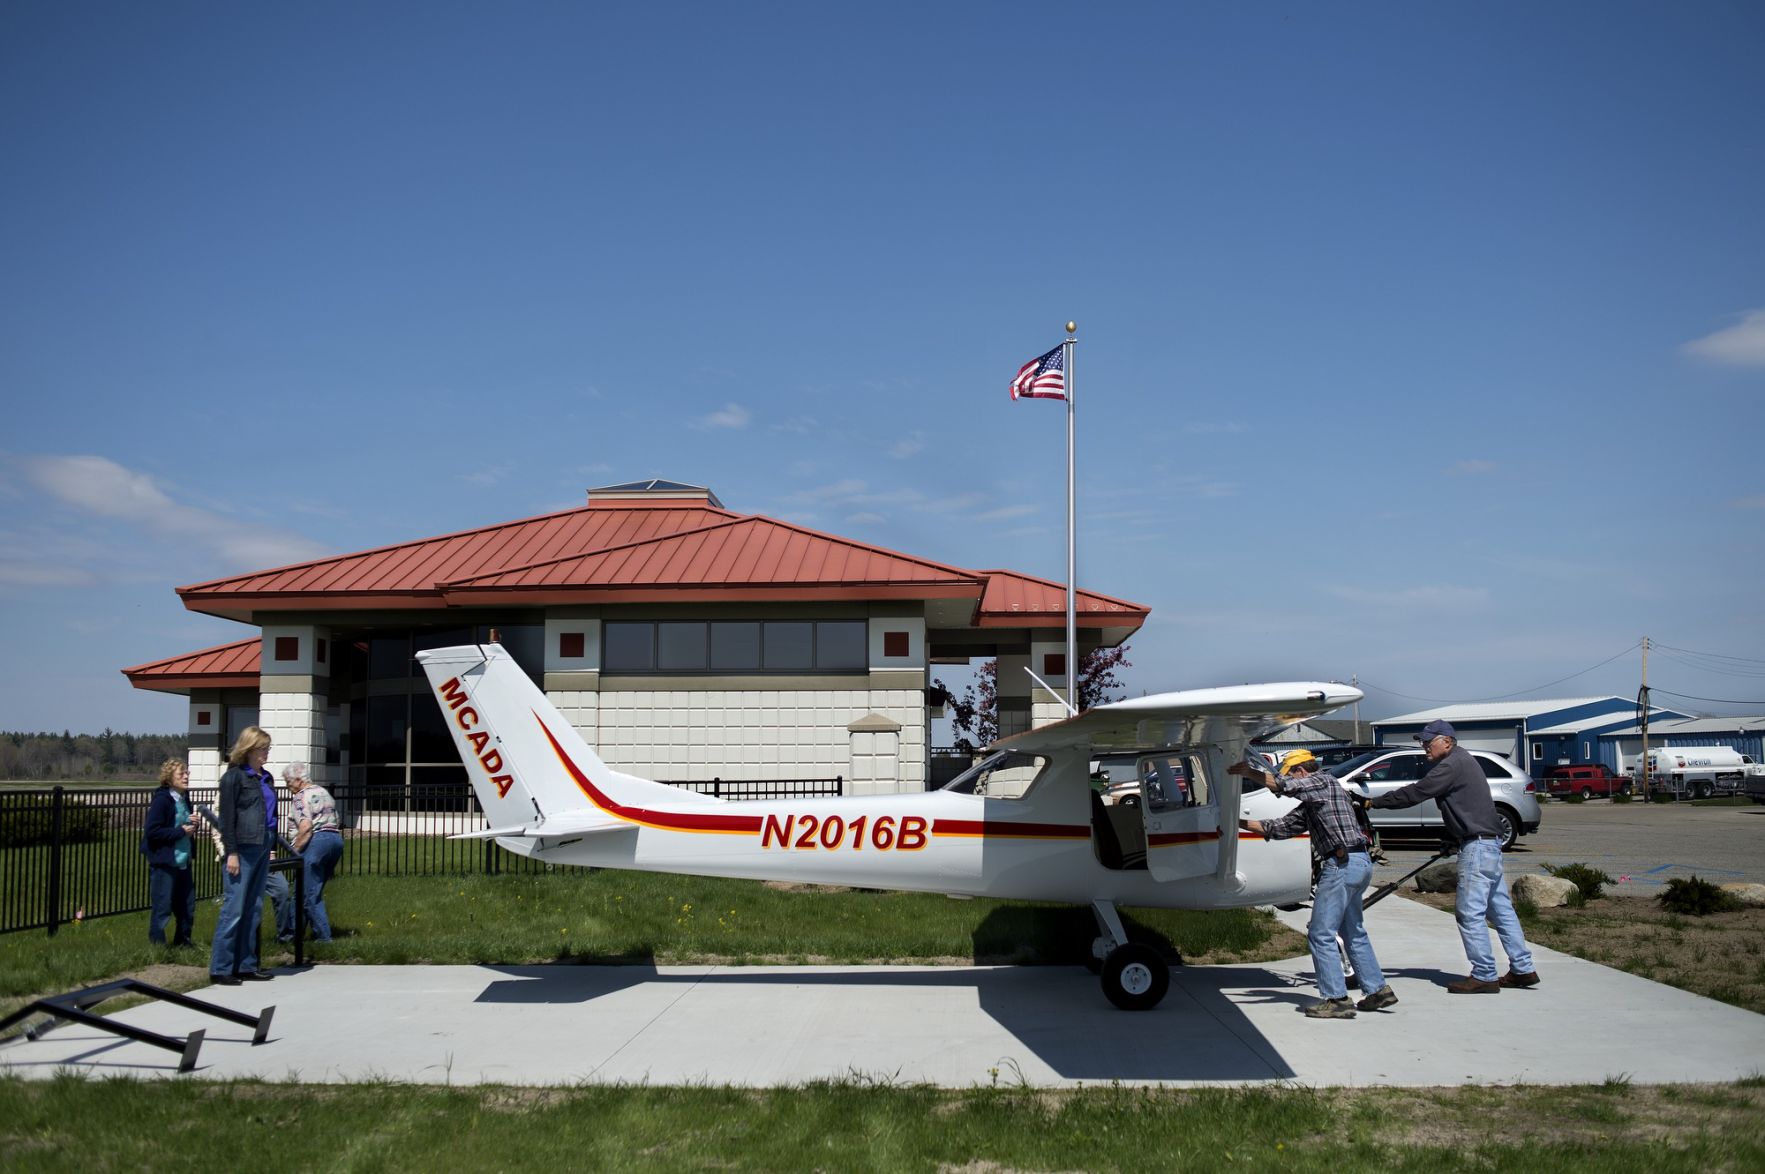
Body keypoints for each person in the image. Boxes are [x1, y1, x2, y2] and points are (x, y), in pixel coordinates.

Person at [1368, 719, 1539, 993]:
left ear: (1446, 741)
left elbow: (1417, 792)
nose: (1424, 747)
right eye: (1422, 742)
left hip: (1477, 847)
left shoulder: (1451, 764)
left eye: (1428, 742)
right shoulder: (1462, 760)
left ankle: (1484, 975)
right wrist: (1453, 837)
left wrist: (1372, 802)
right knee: (1501, 910)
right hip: (1487, 844)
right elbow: (1465, 805)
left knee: (1469, 913)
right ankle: (1523, 968)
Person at [1232, 748, 1397, 1019]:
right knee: (1353, 931)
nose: (1289, 780)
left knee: (1320, 933)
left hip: (1341, 865)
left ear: (1301, 771)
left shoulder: (1322, 781)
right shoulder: (1316, 801)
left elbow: (1283, 786)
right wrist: (1234, 822)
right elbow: (1279, 828)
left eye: (1291, 774)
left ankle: (1336, 999)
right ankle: (1378, 990)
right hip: (1357, 863)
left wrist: (1249, 772)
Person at [208, 726, 277, 986]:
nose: (266, 753)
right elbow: (227, 819)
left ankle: (246, 964)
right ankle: (221, 967)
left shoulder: (266, 778)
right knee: (234, 908)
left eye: (267, 748)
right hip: (242, 847)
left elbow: (270, 815)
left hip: (262, 844)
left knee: (254, 907)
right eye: (262, 749)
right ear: (248, 749)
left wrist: (271, 845)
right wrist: (232, 852)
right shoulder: (234, 777)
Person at [140, 759, 197, 948]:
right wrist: (181, 831)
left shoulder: (184, 797)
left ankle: (183, 943)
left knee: (187, 906)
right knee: (162, 907)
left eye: (187, 773)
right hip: (165, 861)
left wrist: (193, 823)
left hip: (183, 860)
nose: (186, 777)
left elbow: (183, 824)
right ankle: (158, 948)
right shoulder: (162, 800)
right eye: (181, 774)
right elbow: (152, 832)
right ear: (169, 778)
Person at [284, 762, 343, 942]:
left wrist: (294, 851)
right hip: (335, 841)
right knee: (303, 890)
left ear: (298, 780)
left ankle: (323, 938)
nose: (287, 786)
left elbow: (306, 827)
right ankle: (294, 935)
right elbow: (336, 819)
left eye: (288, 782)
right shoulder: (323, 792)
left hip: (315, 843)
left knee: (309, 894)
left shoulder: (301, 797)